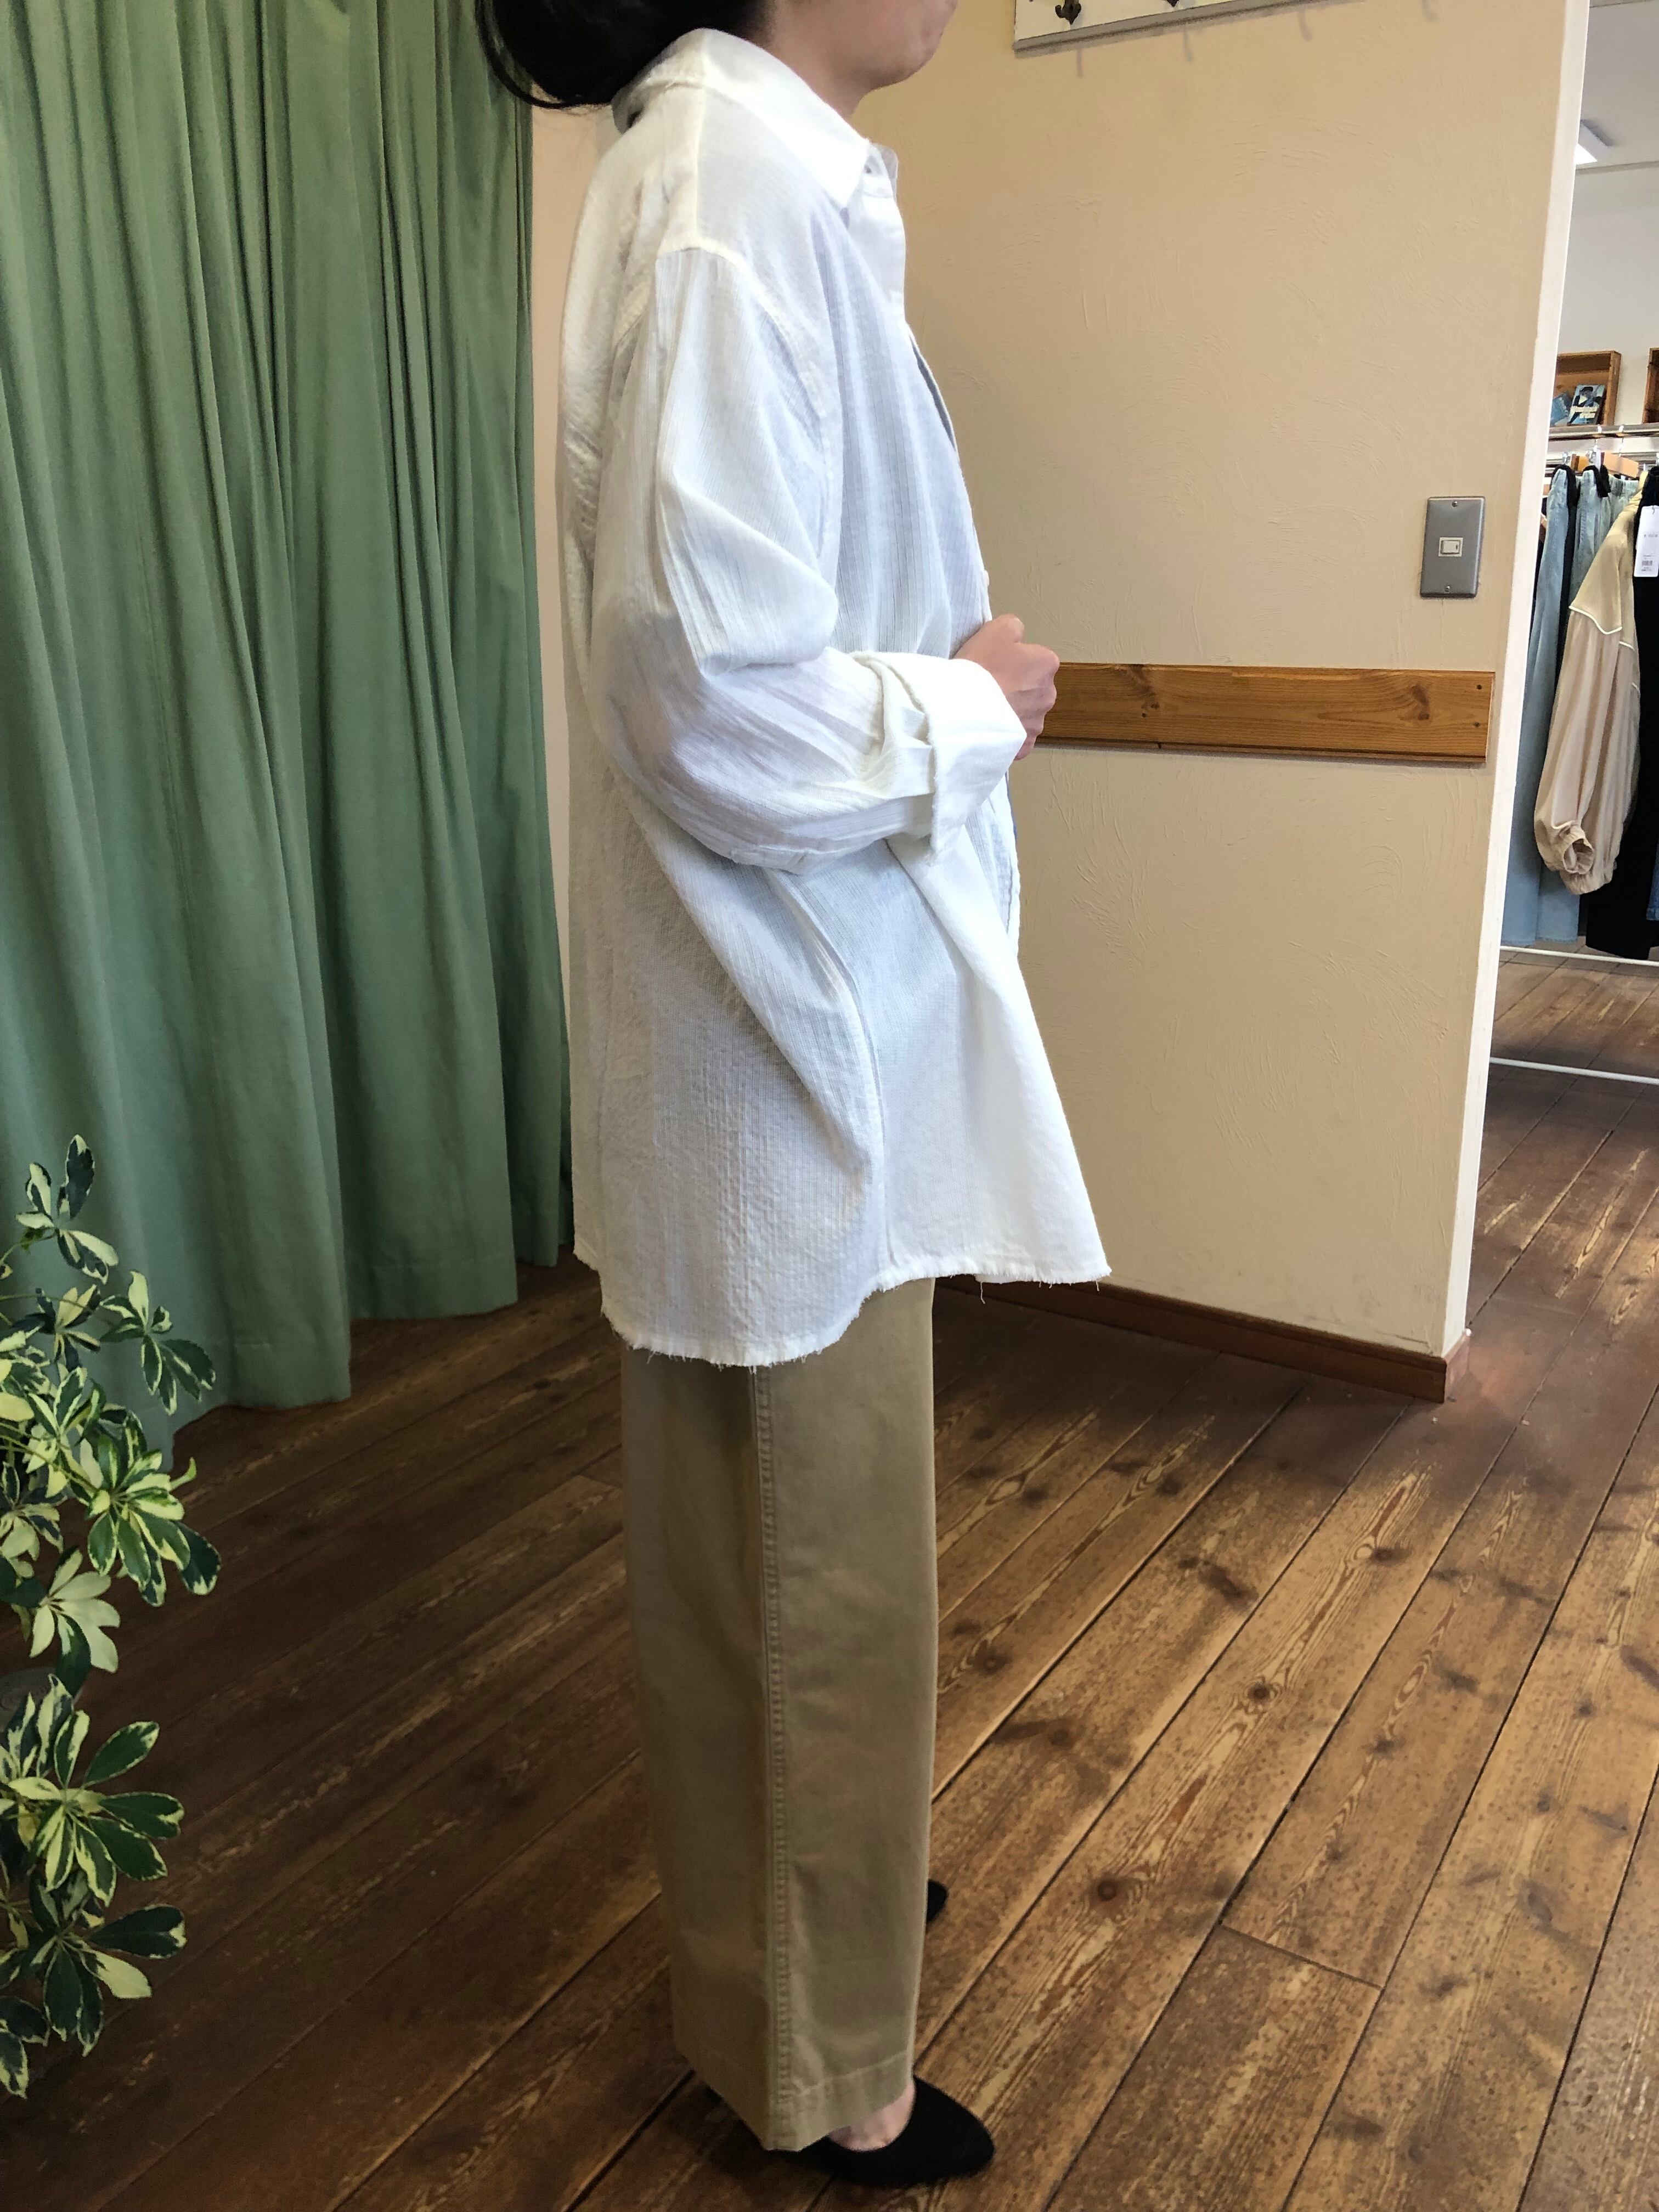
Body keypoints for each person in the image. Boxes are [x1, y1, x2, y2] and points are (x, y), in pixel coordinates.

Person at [478, 0, 1107, 2186]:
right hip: (783, 1044)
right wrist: (970, 700)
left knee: (799, 1563)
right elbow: (706, 697)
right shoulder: (732, 193)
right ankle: (821, 2064)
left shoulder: (743, 176)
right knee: (806, 1576)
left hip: (801, 1030)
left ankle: (811, 1907)